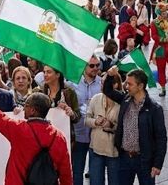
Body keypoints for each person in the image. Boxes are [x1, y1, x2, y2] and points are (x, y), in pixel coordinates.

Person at [0, 64, 73, 185]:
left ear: (33, 110)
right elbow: (66, 173)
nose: (23, 108)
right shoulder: (59, 137)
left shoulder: (18, 129)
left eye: (26, 105)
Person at [101, 68, 166, 185]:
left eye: (130, 84)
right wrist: (110, 75)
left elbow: (161, 138)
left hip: (144, 160)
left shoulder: (154, 109)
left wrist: (157, 164)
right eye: (126, 83)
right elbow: (107, 90)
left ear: (140, 86)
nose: (126, 87)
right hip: (125, 158)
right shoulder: (125, 99)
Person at [69, 56, 103, 185]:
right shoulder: (73, 83)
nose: (96, 68)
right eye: (92, 66)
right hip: (79, 134)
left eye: (98, 65)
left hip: (97, 135)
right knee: (77, 172)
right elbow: (39, 78)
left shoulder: (102, 83)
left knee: (96, 174)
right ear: (84, 66)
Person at [84, 71, 121, 185]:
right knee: (95, 182)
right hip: (96, 148)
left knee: (115, 182)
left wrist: (111, 125)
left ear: (115, 85)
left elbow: (125, 126)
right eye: (101, 83)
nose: (101, 85)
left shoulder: (122, 101)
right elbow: (86, 119)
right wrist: (95, 122)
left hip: (114, 151)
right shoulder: (96, 98)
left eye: (104, 83)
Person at [33, 66, 80, 140]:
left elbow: (77, 117)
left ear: (57, 75)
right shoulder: (39, 93)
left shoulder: (69, 92)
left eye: (49, 72)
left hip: (64, 136)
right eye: (44, 72)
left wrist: (71, 113)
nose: (45, 75)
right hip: (44, 136)